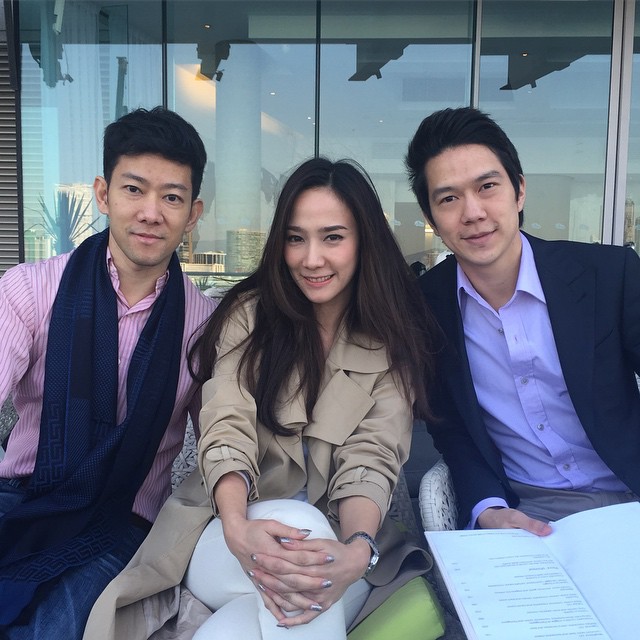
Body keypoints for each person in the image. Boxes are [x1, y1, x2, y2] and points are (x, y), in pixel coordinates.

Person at [83, 157, 439, 640]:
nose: (311, 258)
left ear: (364, 241)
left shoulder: (391, 340)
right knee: (299, 527)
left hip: (335, 548)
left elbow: (371, 458)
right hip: (224, 536)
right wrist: (236, 525)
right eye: (296, 238)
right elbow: (226, 427)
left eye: (333, 237)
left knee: (243, 625)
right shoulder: (249, 319)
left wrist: (357, 550)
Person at [0, 107, 216, 638]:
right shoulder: (30, 290)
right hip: (22, 495)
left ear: (193, 213)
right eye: (133, 189)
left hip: (122, 519)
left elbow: (222, 438)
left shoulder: (206, 325)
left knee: (55, 627)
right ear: (103, 194)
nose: (151, 213)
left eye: (172, 197)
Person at [405, 106, 640, 535]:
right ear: (431, 218)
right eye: (449, 198)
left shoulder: (608, 275)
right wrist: (488, 508)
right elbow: (451, 426)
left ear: (519, 191)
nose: (473, 212)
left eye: (487, 186)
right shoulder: (423, 307)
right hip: (528, 509)